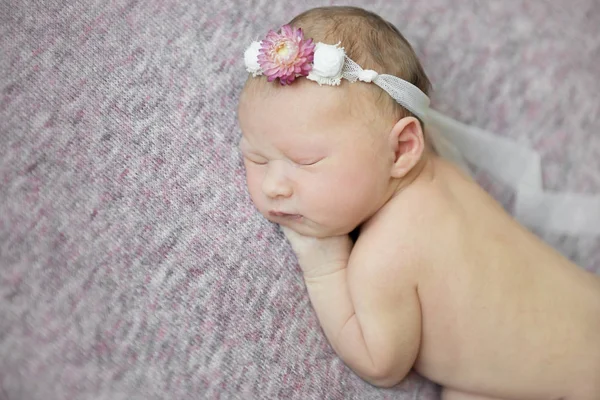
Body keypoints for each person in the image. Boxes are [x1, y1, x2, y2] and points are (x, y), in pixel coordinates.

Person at [237, 6, 600, 400]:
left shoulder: (386, 256)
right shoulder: (445, 177)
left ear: (401, 150)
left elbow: (381, 366)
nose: (274, 185)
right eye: (255, 158)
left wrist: (322, 263)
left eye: (306, 161)